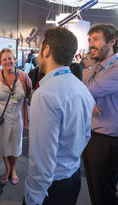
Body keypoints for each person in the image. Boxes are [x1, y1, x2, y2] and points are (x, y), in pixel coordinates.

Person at [24, 27, 94, 205]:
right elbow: (86, 135)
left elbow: (42, 159)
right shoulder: (81, 88)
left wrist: (33, 196)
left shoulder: (45, 94)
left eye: (40, 48)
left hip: (51, 188)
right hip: (73, 176)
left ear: (46, 50)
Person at [82, 23, 118, 205]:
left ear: (112, 41)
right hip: (92, 137)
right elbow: (84, 92)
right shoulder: (96, 68)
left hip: (108, 142)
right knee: (95, 192)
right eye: (90, 40)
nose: (91, 44)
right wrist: (88, 101)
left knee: (105, 196)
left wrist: (86, 97)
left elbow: (83, 91)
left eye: (96, 39)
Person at [0, 48, 32, 185]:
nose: (8, 61)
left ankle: (13, 170)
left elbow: (28, 92)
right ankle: (7, 170)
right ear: (0, 62)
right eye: (4, 59)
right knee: (3, 146)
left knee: (15, 146)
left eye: (9, 58)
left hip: (17, 117)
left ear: (15, 59)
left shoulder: (24, 77)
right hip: (0, 119)